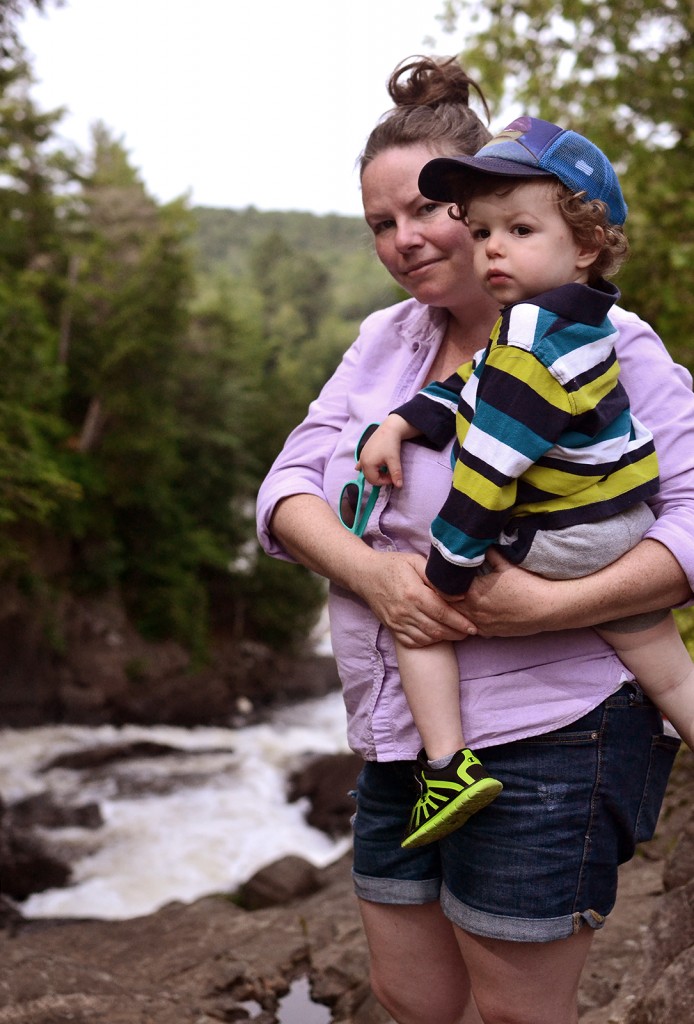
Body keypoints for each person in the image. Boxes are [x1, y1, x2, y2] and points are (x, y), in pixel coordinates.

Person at [256, 55, 694, 1024]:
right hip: (399, 734)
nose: (405, 239)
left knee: (515, 1013)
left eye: (424, 209)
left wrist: (549, 603)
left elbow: (691, 519)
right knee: (408, 996)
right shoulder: (386, 343)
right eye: (381, 223)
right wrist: (372, 573)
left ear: (491, 203)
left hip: (556, 730)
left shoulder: (612, 345)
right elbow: (284, 491)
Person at [356, 115, 694, 850]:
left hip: (561, 543)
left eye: (518, 231)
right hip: (616, 525)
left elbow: (487, 470)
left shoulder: (525, 346)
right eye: (482, 233)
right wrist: (401, 423)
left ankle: (446, 768)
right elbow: (469, 387)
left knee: (414, 614)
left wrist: (446, 571)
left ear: (586, 244)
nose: (494, 250)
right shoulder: (574, 323)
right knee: (669, 670)